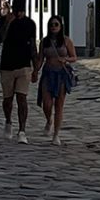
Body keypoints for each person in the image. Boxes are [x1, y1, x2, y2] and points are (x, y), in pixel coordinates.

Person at [0, 0, 37, 145]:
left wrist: (35, 68)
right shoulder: (5, 21)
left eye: (21, 11)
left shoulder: (30, 24)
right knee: (8, 100)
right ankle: (8, 121)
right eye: (17, 10)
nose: (19, 14)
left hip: (24, 65)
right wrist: (7, 22)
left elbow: (33, 45)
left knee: (22, 98)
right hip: (7, 65)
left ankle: (22, 131)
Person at [35, 16, 77, 147]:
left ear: (60, 27)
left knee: (59, 105)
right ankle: (49, 120)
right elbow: (41, 58)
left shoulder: (66, 41)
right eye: (51, 25)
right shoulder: (44, 42)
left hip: (61, 74)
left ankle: (56, 134)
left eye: (56, 24)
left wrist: (66, 60)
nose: (53, 27)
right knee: (46, 104)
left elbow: (74, 57)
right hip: (48, 73)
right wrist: (35, 71)